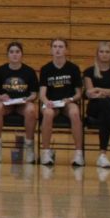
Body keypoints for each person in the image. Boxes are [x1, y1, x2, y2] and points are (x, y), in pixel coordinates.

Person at [0, 41, 39, 164]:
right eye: (11, 52)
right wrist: (1, 97)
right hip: (6, 104)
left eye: (17, 52)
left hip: (22, 104)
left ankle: (29, 145)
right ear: (7, 54)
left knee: (31, 109)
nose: (14, 54)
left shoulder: (29, 71)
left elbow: (34, 93)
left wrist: (29, 99)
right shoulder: (0, 71)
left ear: (22, 54)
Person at [39, 37, 84, 167]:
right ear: (51, 50)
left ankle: (78, 154)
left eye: (60, 47)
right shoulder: (46, 69)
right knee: (47, 114)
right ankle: (46, 152)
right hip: (52, 103)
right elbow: (42, 94)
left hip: (67, 102)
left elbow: (78, 93)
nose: (57, 49)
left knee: (75, 113)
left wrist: (69, 99)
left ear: (66, 49)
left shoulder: (73, 68)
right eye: (55, 47)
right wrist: (47, 101)